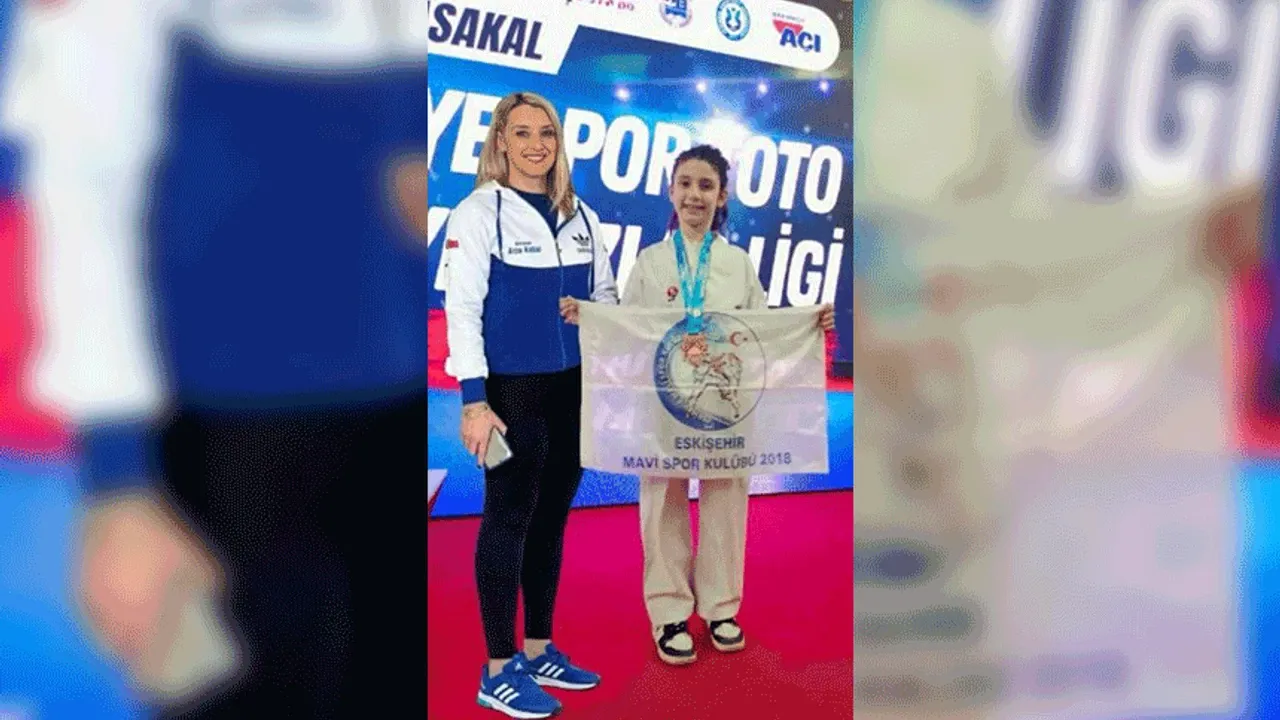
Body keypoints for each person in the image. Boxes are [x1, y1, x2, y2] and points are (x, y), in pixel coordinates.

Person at [1, 1, 428, 716]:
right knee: (231, 691)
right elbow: (82, 192)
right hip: (219, 446)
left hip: (402, 429)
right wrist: (118, 481)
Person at [565, 144, 833, 664]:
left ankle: (721, 608)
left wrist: (808, 323)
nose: (694, 195)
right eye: (685, 184)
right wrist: (591, 318)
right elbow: (629, 330)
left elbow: (760, 333)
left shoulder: (737, 264)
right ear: (671, 191)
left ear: (721, 196)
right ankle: (668, 612)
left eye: (706, 185)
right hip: (664, 406)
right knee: (661, 502)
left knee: (726, 502)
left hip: (725, 409)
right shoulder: (650, 262)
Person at [440, 90, 618, 720]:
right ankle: (498, 669)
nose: (537, 144)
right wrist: (474, 402)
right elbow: (461, 310)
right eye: (522, 133)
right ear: (501, 141)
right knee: (507, 518)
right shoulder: (477, 212)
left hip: (572, 391)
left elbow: (607, 298)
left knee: (551, 520)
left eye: (547, 133)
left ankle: (539, 650)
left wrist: (592, 314)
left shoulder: (583, 215)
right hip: (511, 395)